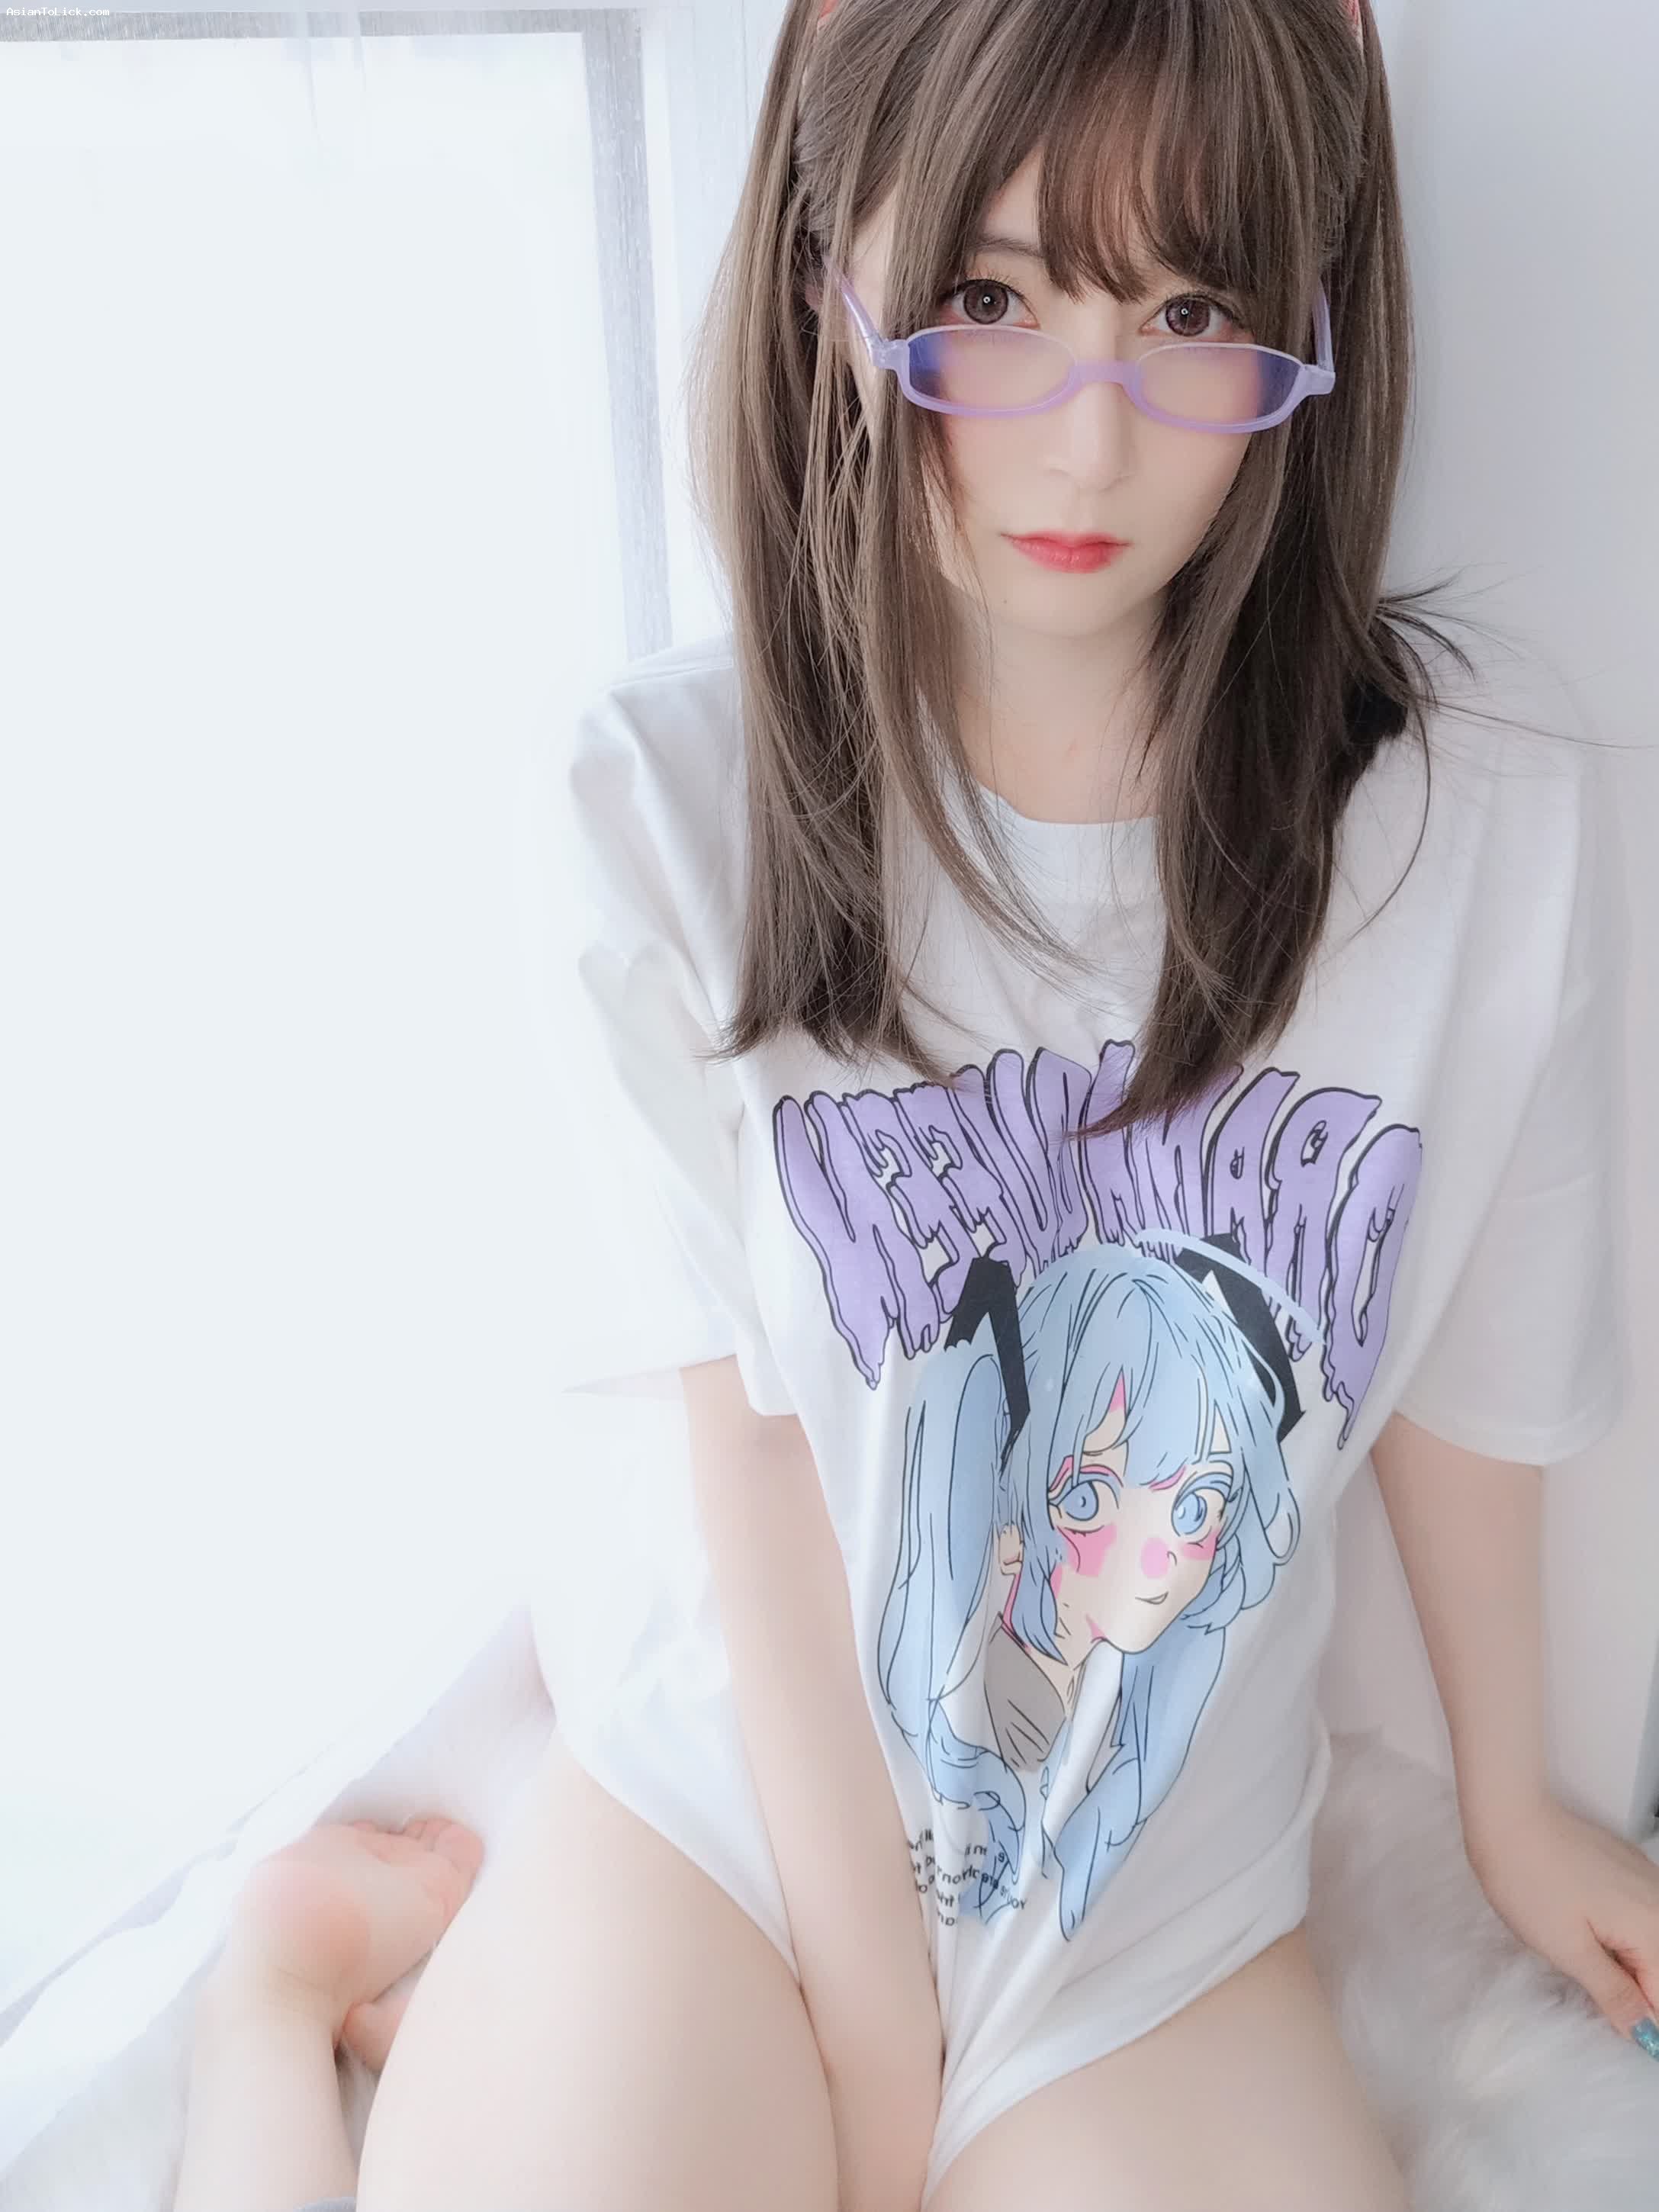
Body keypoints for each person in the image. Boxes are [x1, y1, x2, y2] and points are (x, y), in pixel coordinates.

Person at [172, 0, 1659, 2208]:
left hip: (1149, 1920)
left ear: (1312, 320)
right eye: (993, 297)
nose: (1090, 445)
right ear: (829, 282)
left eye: (1191, 312)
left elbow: (1466, 1370)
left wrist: (1515, 1805)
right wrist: (878, 2076)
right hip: (729, 1837)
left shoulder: (1479, 828)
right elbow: (756, 1466)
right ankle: (277, 1990)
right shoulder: (662, 809)